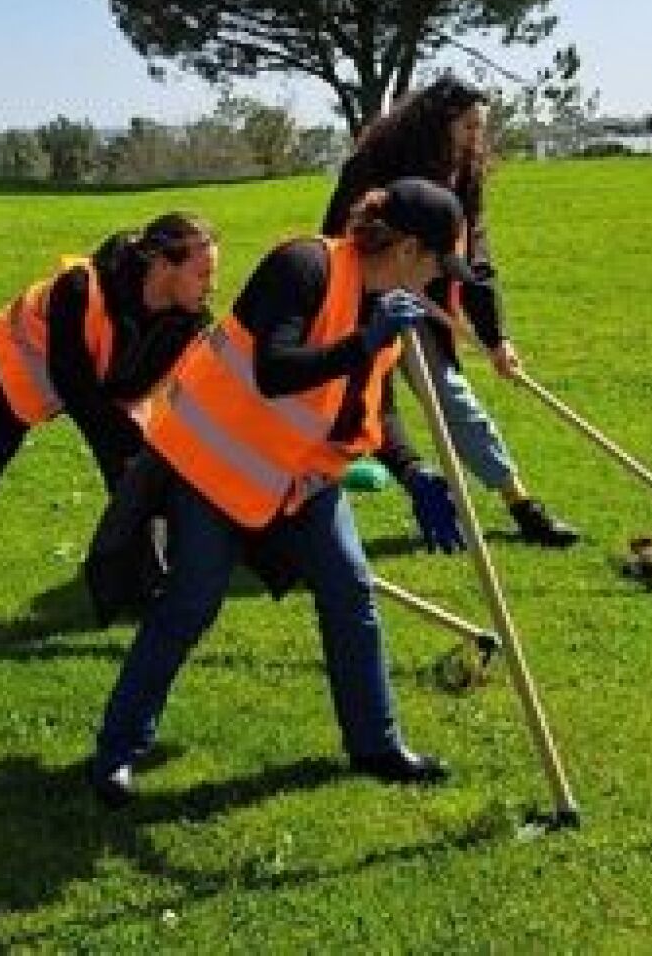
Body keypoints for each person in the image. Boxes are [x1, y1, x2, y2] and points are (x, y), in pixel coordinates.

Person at [82, 177, 472, 808]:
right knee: (190, 604)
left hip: (294, 478)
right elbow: (275, 369)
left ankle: (376, 744)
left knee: (350, 590)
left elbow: (372, 403)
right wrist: (363, 344)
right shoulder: (303, 267)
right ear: (403, 249)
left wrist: (413, 471)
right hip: (212, 466)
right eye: (434, 265)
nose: (435, 282)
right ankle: (117, 751)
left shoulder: (387, 304)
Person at [0, 212, 220, 617]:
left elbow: (142, 393)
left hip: (101, 394)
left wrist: (139, 465)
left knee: (140, 481)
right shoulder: (80, 287)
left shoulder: (190, 323)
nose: (213, 285)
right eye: (203, 273)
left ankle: (143, 595)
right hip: (0, 375)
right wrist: (126, 448)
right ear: (161, 265)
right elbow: (74, 384)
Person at [320, 73, 581, 548]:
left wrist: (497, 337)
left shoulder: (465, 174)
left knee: (453, 398)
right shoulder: (375, 163)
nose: (476, 139)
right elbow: (338, 231)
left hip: (425, 301)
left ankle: (521, 504)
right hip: (362, 299)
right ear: (436, 125)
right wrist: (385, 275)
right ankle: (408, 487)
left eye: (482, 128)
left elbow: (475, 257)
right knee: (365, 405)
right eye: (468, 127)